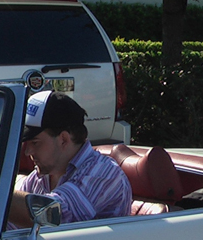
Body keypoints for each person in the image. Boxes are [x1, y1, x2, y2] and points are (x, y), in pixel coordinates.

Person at [9, 91, 132, 228]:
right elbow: (8, 224)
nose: (27, 151)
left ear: (64, 139)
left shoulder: (103, 173)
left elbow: (54, 215)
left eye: (35, 142)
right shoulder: (40, 177)